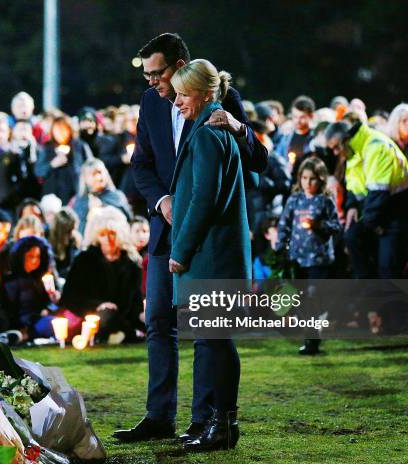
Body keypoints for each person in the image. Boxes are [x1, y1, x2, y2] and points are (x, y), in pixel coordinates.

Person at [116, 32, 267, 444]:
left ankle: (206, 420)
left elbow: (258, 159)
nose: (152, 82)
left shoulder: (220, 104)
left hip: (204, 237)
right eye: (146, 75)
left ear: (181, 66)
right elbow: (141, 165)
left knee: (206, 329)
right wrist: (162, 200)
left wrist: (237, 127)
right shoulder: (150, 103)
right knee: (160, 321)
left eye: (157, 73)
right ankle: (159, 415)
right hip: (168, 226)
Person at [165, 59, 250, 451]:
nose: (177, 101)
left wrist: (180, 250)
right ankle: (220, 424)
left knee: (216, 340)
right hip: (219, 253)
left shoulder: (205, 135)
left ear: (203, 94)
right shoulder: (215, 128)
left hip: (209, 255)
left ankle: (222, 425)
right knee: (218, 340)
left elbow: (204, 199)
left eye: (183, 94)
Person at [325, 121, 408, 278]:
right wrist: (352, 205)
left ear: (346, 139)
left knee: (388, 269)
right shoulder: (355, 149)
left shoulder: (375, 147)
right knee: (352, 238)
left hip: (396, 213)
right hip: (378, 213)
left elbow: (378, 193)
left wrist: (367, 225)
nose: (334, 152)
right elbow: (354, 185)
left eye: (336, 147)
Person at [276, 157, 342, 355]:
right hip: (297, 258)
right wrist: (280, 246)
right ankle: (308, 333)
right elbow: (284, 223)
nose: (308, 183)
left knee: (313, 297)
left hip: (318, 259)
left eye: (312, 178)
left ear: (321, 179)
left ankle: (312, 339)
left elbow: (336, 226)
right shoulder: (295, 199)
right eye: (304, 178)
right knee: (300, 299)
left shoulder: (325, 200)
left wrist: (318, 225)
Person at [60, 207, 144, 342]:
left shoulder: (131, 263)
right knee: (105, 316)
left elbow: (136, 302)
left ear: (120, 233)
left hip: (125, 316)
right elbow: (69, 297)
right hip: (91, 316)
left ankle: (121, 333)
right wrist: (98, 305)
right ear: (96, 236)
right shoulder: (84, 260)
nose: (108, 239)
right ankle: (119, 333)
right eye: (103, 234)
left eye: (112, 233)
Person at [2, 235, 59, 339]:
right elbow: (11, 309)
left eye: (38, 256)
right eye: (30, 256)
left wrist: (51, 302)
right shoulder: (10, 280)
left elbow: (48, 303)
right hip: (23, 322)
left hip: (40, 319)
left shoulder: (42, 278)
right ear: (20, 256)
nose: (34, 261)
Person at [35, 115, 93, 204]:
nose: (60, 132)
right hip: (52, 197)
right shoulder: (47, 147)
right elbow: (38, 171)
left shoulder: (80, 146)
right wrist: (52, 164)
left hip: (76, 195)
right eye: (57, 129)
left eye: (63, 128)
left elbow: (92, 166)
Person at [72, 158, 131, 233]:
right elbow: (78, 231)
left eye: (100, 172)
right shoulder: (81, 201)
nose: (98, 177)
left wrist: (104, 208)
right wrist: (90, 212)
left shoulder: (117, 196)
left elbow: (128, 222)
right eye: (93, 174)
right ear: (85, 179)